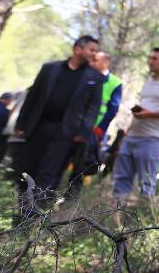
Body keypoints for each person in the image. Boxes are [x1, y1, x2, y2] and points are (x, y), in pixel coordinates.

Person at [12, 36, 104, 216]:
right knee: (26, 171)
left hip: (65, 135)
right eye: (92, 50)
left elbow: (93, 108)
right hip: (37, 129)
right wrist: (21, 124)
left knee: (48, 176)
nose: (95, 54)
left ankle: (31, 219)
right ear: (77, 49)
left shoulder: (95, 78)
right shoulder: (50, 69)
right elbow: (32, 98)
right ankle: (20, 211)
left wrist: (83, 132)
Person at [112, 47, 159, 203]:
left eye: (154, 58)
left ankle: (141, 220)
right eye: (150, 58)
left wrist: (149, 114)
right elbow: (146, 106)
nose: (149, 61)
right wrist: (127, 134)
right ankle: (115, 217)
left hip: (153, 140)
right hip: (132, 137)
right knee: (121, 179)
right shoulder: (150, 81)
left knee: (146, 182)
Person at [63, 50, 123, 201]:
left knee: (80, 165)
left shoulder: (115, 83)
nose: (91, 63)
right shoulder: (84, 75)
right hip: (72, 126)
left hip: (92, 131)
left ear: (105, 63)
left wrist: (100, 129)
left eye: (95, 60)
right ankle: (50, 192)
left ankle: (70, 199)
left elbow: (112, 109)